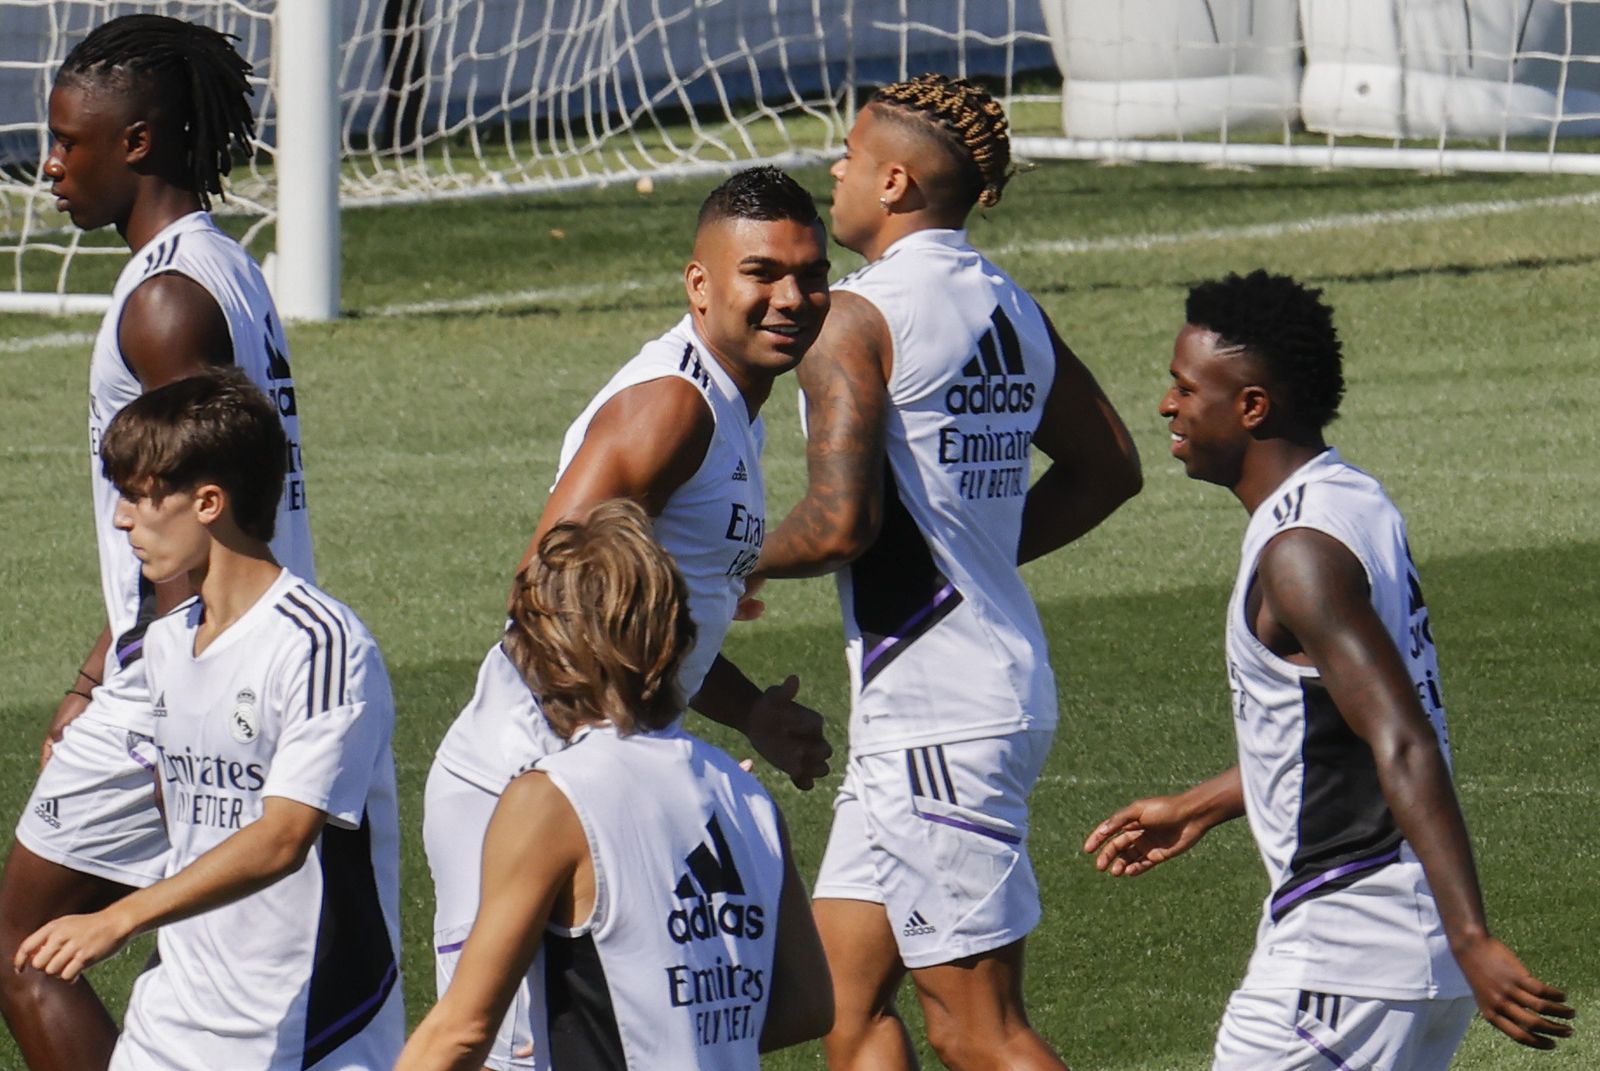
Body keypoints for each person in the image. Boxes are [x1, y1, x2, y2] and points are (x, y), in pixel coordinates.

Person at [1084, 270, 1575, 1068]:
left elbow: (1402, 738)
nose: (1168, 407)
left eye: (1184, 388)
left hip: (1342, 959)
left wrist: (1473, 934)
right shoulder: (1354, 501)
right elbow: (1340, 723)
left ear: (1251, 406)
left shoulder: (1299, 552)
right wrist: (1202, 804)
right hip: (1396, 958)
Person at [755, 74, 1142, 1071]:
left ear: (891, 182)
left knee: (977, 1029)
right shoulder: (1004, 301)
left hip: (941, 716)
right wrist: (972, 542)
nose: (831, 171)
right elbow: (1109, 467)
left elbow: (839, 524)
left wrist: (708, 554)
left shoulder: (853, 317)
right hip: (949, 701)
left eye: (846, 154)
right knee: (836, 1008)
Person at [423, 165, 834, 1070]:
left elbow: (643, 627)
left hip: (604, 776)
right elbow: (545, 586)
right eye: (761, 273)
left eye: (811, 275)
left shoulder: (734, 412)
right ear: (699, 284)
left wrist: (747, 710)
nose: (792, 297)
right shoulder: (674, 406)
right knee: (502, 1051)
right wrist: (602, 767)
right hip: (523, 782)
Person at [0, 15, 314, 1070]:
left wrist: (142, 681)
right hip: (204, 657)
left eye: (65, 142)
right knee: (186, 966)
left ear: (135, 143)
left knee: (24, 946)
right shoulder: (226, 268)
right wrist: (97, 667)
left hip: (196, 668)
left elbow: (198, 518)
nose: (47, 167)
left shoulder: (167, 300)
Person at [14, 370, 400, 1070]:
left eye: (138, 495)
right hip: (172, 1025)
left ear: (209, 502)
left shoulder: (319, 644)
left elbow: (283, 836)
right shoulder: (166, 644)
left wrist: (120, 915)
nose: (120, 519)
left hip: (305, 1031)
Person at [400, 499, 831, 1070]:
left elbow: (463, 1029)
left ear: (553, 650)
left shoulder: (552, 799)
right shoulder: (746, 797)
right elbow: (808, 1005)